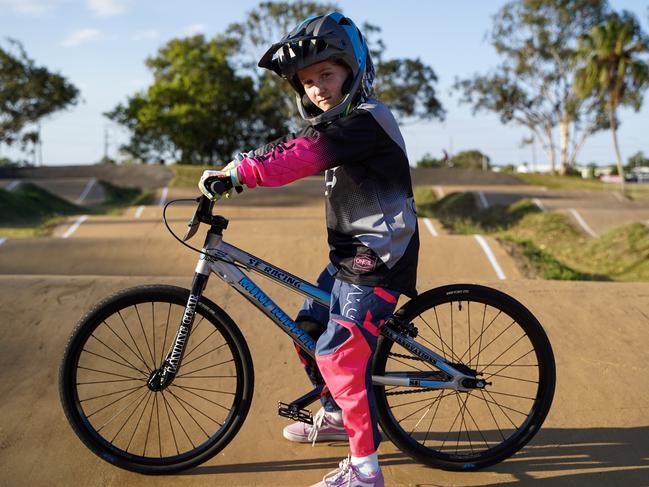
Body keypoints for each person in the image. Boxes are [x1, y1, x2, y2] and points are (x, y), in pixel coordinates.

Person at [198, 12, 419, 487]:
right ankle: (341, 415)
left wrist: (242, 172)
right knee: (308, 329)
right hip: (349, 256)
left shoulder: (367, 120)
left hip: (378, 258)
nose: (317, 88)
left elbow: (300, 157)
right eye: (307, 81)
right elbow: (294, 146)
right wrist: (236, 167)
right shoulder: (338, 125)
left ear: (352, 71)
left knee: (340, 354)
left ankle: (365, 472)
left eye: (326, 75)